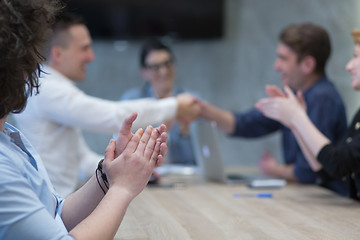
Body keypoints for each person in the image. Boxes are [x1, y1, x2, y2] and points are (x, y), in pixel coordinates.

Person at [0, 1, 168, 239]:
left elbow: (57, 215)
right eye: (29, 58)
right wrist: (122, 187)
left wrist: (109, 173)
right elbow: (110, 114)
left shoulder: (11, 139)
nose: (35, 70)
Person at [13, 12, 200, 197]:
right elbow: (115, 116)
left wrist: (125, 169)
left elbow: (82, 159)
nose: (91, 56)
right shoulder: (47, 89)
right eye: (84, 48)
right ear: (58, 54)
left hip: (63, 198)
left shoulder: (52, 87)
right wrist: (174, 105)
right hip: (56, 204)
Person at [199, 23, 347, 194]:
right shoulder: (295, 94)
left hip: (328, 200)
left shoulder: (323, 98)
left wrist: (273, 169)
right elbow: (248, 123)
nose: (276, 66)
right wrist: (204, 111)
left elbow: (309, 173)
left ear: (307, 64)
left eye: (283, 58)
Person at [256, 29, 360, 200]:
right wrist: (295, 123)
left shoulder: (323, 96)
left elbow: (337, 163)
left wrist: (297, 116)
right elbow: (325, 170)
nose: (348, 66)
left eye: (356, 56)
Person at [120, 38, 196, 165]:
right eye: (156, 67)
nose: (164, 71)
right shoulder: (131, 101)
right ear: (144, 72)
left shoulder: (191, 101)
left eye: (167, 64)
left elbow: (195, 161)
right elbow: (124, 153)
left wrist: (184, 132)